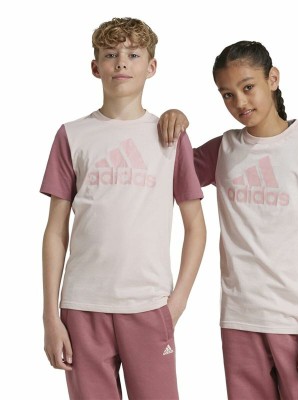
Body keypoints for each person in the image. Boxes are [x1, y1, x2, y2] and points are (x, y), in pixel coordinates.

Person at [159, 40, 298, 400]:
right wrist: (175, 119)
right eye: (227, 95)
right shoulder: (224, 149)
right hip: (239, 320)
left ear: (272, 79)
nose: (240, 103)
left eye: (248, 87)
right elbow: (168, 169)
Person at [40, 17, 206, 400]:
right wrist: (50, 315)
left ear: (151, 66)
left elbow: (196, 226)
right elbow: (55, 230)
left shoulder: (170, 136)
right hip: (82, 306)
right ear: (95, 66)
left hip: (149, 305)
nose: (121, 63)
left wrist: (176, 303)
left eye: (133, 55)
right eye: (110, 54)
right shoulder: (72, 135)